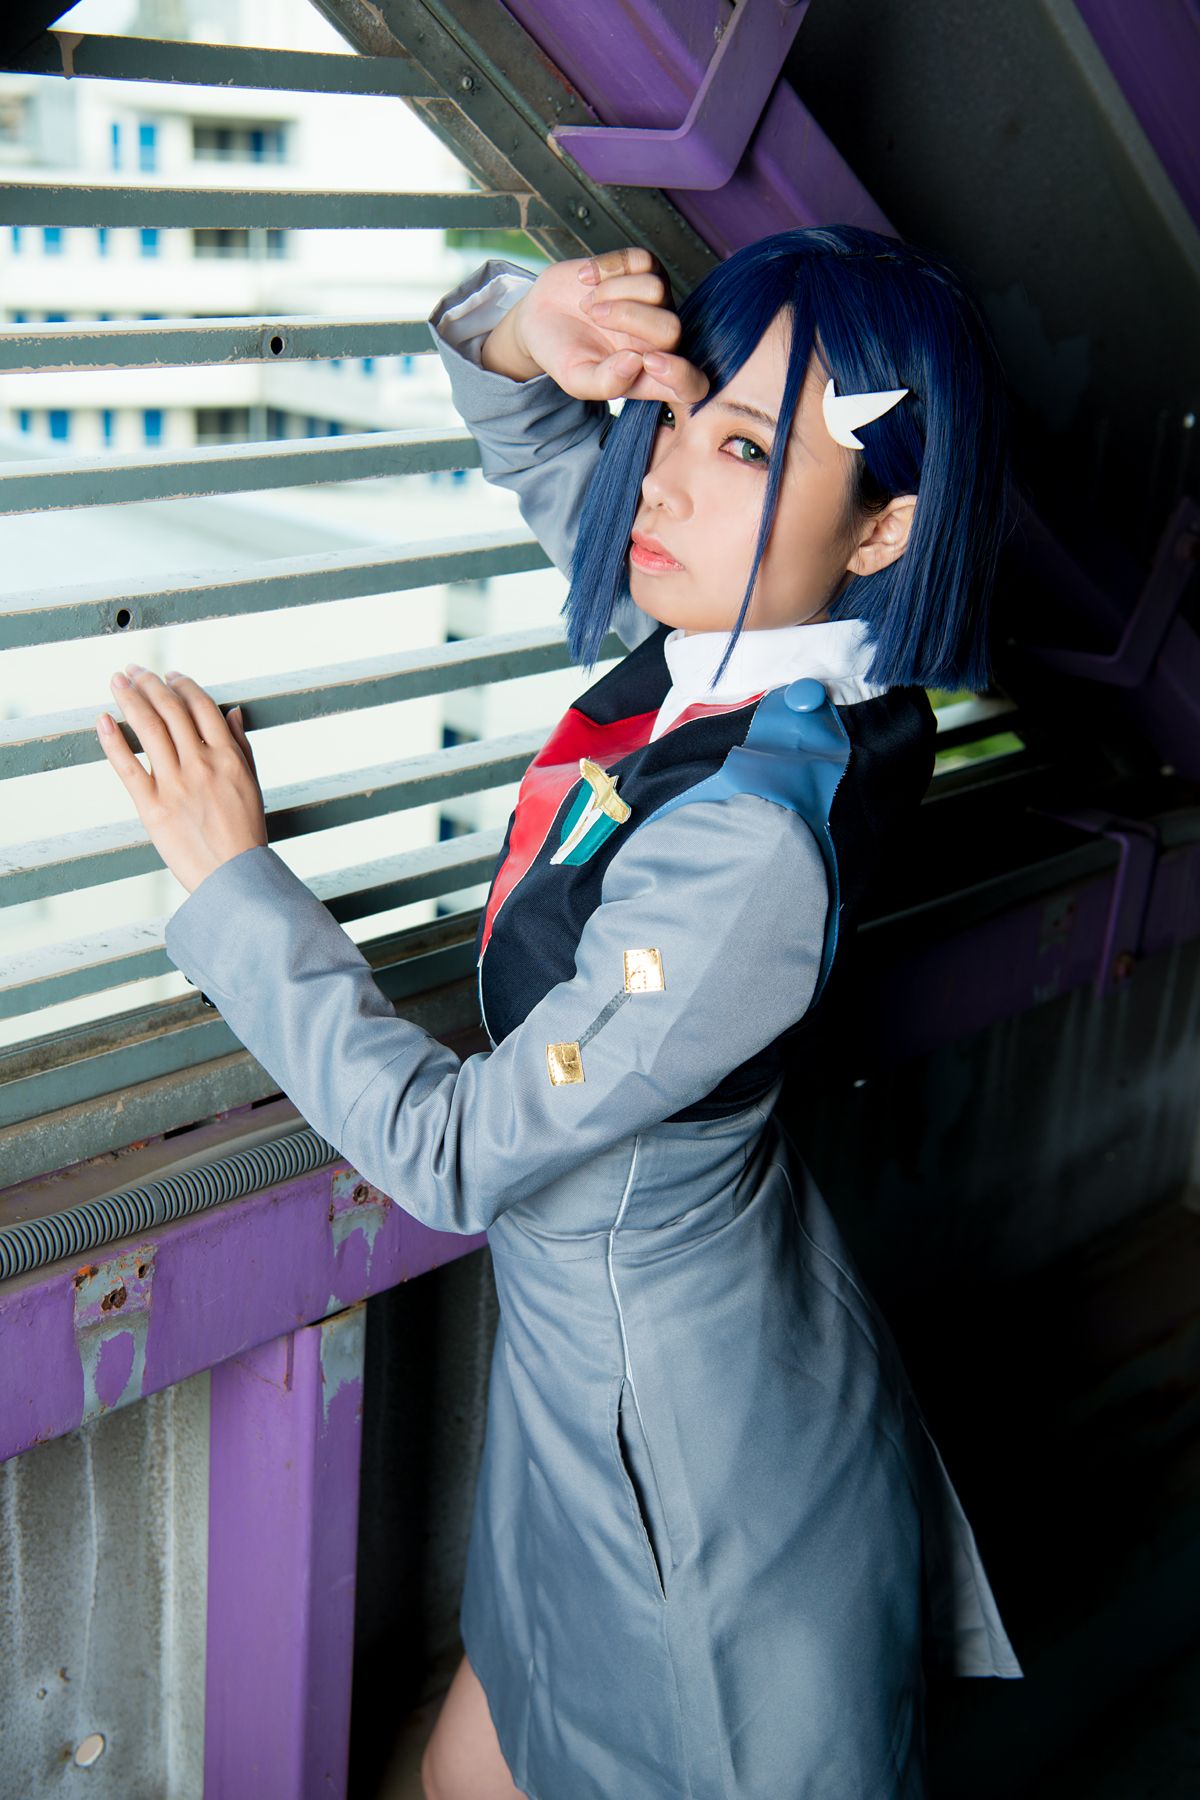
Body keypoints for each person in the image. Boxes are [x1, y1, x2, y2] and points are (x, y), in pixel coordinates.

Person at [94, 228, 1023, 1800]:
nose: (655, 478)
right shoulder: (743, 653)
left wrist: (231, 880)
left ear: (885, 529)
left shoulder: (753, 837)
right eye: (672, 416)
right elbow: (554, 451)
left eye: (742, 447)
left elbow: (452, 1153)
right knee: (491, 1742)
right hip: (627, 1363)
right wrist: (527, 327)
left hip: (682, 1453)